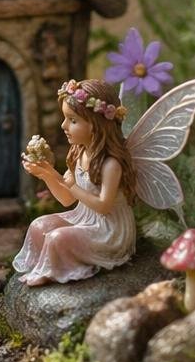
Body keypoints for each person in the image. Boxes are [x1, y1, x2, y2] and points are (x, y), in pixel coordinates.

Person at [14, 77, 138, 285]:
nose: (64, 125)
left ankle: (52, 270)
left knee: (57, 238)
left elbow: (104, 205)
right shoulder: (78, 153)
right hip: (83, 218)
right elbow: (65, 199)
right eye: (65, 118)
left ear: (96, 125)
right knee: (39, 226)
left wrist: (71, 186)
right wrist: (46, 173)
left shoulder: (110, 164)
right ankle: (41, 266)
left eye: (72, 120)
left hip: (108, 229)